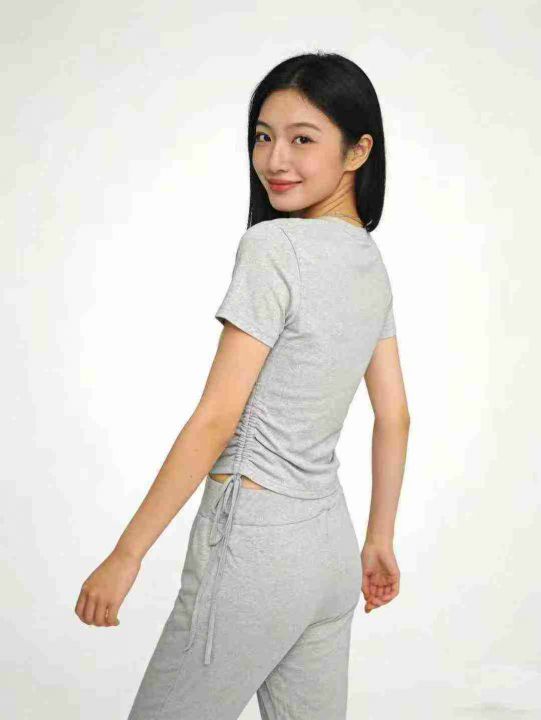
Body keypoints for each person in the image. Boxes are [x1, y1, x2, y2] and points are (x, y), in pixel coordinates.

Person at [75, 50, 410, 719]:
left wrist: (126, 554)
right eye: (262, 136)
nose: (274, 159)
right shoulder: (367, 261)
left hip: (253, 550)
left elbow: (215, 419)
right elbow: (394, 415)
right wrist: (379, 538)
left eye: (302, 139)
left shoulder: (274, 248)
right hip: (330, 548)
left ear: (357, 151)